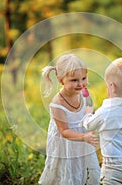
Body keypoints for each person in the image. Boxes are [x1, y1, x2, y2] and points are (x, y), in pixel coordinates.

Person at [82, 57, 122, 185]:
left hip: (113, 168)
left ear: (112, 87)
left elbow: (89, 125)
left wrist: (88, 113)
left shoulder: (106, 111)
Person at [38, 54, 100, 185]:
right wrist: (83, 136)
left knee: (83, 167)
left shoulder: (84, 95)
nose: (81, 84)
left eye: (84, 78)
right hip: (65, 145)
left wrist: (92, 115)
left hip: (83, 142)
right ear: (61, 80)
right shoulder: (57, 104)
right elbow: (64, 131)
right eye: (74, 80)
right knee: (67, 171)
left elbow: (89, 115)